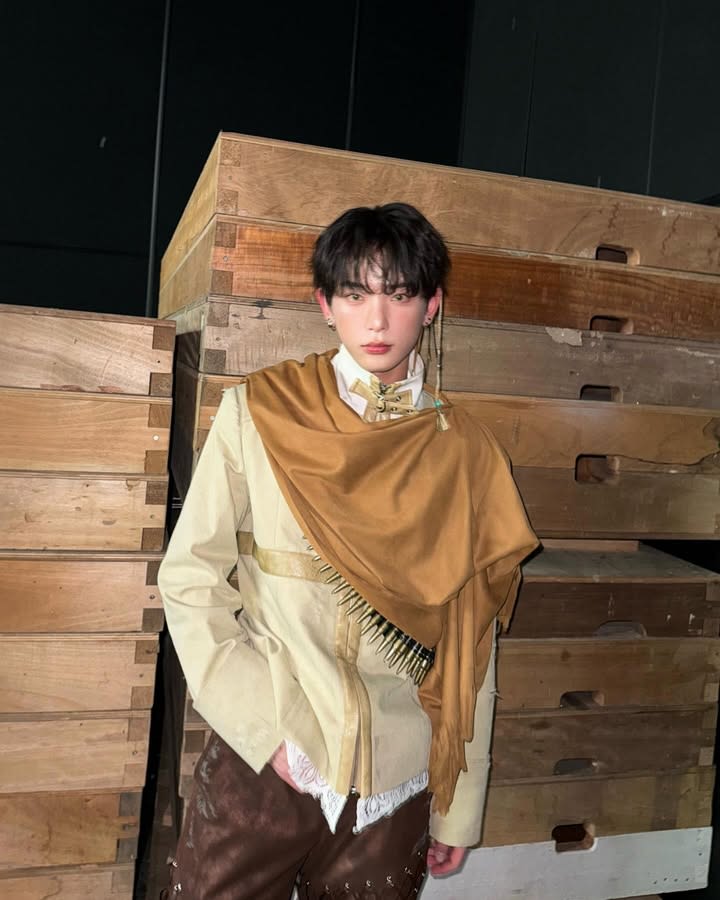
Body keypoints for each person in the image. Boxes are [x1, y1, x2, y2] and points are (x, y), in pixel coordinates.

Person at [158, 202, 537, 899]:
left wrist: (457, 805)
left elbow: (471, 644)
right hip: (265, 765)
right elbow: (189, 579)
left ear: (431, 305)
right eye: (356, 294)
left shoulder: (469, 457)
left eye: (400, 294)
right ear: (325, 305)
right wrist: (263, 726)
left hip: (395, 788)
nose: (378, 319)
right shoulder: (261, 414)